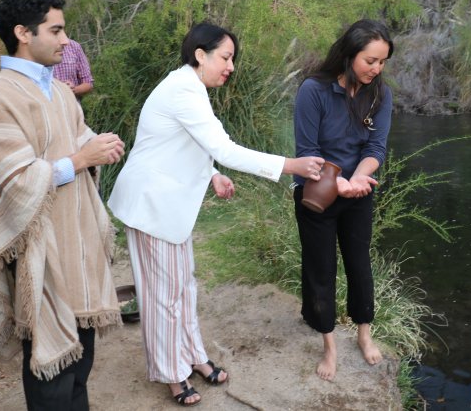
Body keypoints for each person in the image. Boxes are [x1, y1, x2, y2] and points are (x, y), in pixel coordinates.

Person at [107, 22, 325, 406]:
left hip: (168, 208)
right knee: (163, 296)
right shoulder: (183, 90)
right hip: (152, 207)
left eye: (232, 59)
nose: (231, 66)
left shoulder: (189, 87)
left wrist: (212, 174)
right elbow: (224, 147)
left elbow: (182, 143)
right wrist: (292, 165)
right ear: (200, 55)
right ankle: (172, 374)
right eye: (226, 57)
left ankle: (192, 356)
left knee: (182, 289)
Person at [0, 0, 126, 411]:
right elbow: (16, 179)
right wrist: (79, 159)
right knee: (51, 368)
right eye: (56, 31)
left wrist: (99, 145)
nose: (65, 41)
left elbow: (74, 139)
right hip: (39, 250)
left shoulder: (58, 90)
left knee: (81, 357)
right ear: (23, 32)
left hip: (76, 242)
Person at [292, 19, 394, 381]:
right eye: (370, 61)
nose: (376, 69)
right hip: (317, 191)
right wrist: (339, 184)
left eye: (382, 62)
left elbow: (375, 147)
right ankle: (329, 345)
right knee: (321, 268)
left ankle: (364, 334)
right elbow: (307, 152)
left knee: (359, 263)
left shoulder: (380, 94)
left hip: (358, 191)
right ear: (349, 54)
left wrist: (358, 178)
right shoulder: (313, 91)